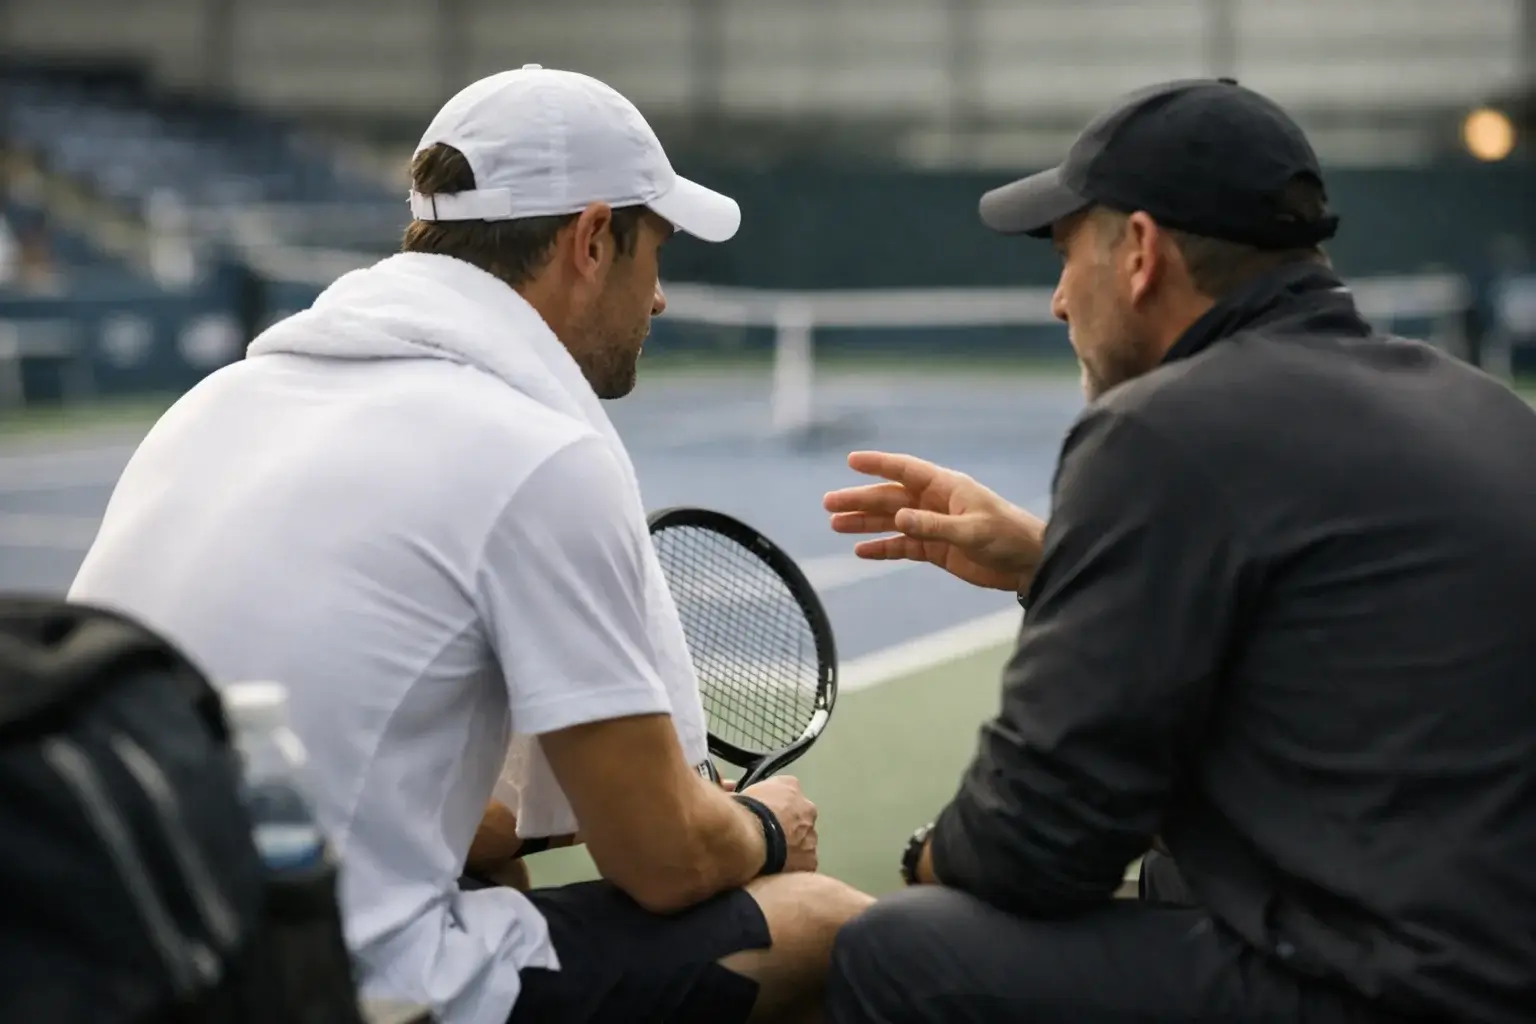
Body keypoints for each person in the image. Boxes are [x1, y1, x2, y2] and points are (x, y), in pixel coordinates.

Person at [68, 65, 872, 1024]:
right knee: (831, 927)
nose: (658, 297)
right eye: (655, 251)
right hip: (314, 987)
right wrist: (764, 829)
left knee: (491, 871)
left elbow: (361, 791)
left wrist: (534, 833)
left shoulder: (215, 402)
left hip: (114, 960)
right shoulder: (538, 453)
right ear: (591, 241)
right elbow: (667, 861)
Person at [818, 77, 1536, 1023]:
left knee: (896, 950)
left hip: (1395, 990)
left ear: (1141, 253)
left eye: (1066, 255)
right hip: (1492, 958)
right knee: (1172, 878)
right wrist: (1052, 564)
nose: (1059, 302)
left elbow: (1038, 840)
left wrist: (925, 859)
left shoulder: (1161, 432)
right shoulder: (1483, 407)